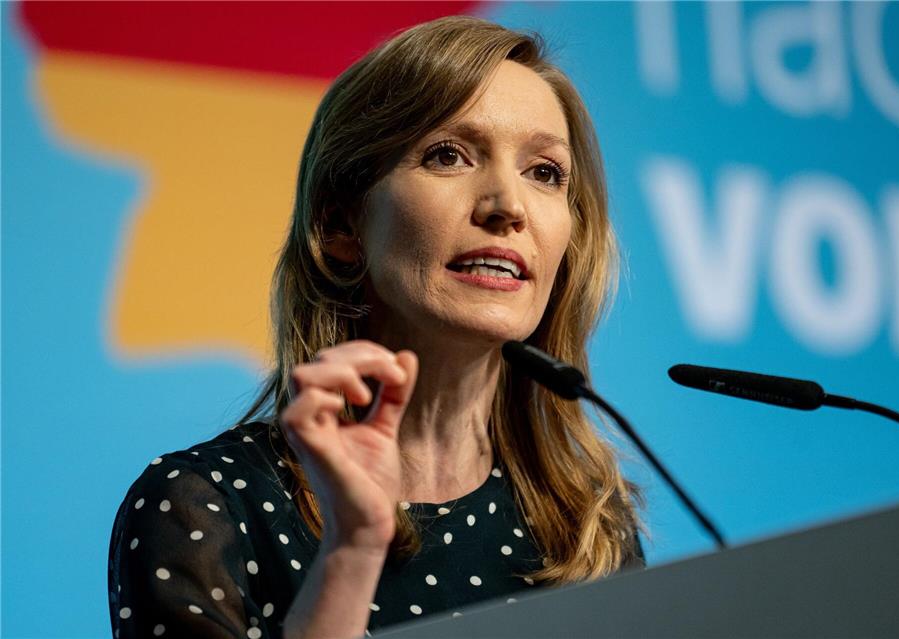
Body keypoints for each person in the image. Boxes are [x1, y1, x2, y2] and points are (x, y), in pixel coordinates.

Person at [107, 15, 644, 639]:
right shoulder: (207, 505)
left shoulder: (590, 527)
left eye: (545, 172)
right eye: (448, 155)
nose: (508, 206)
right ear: (341, 225)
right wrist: (353, 549)